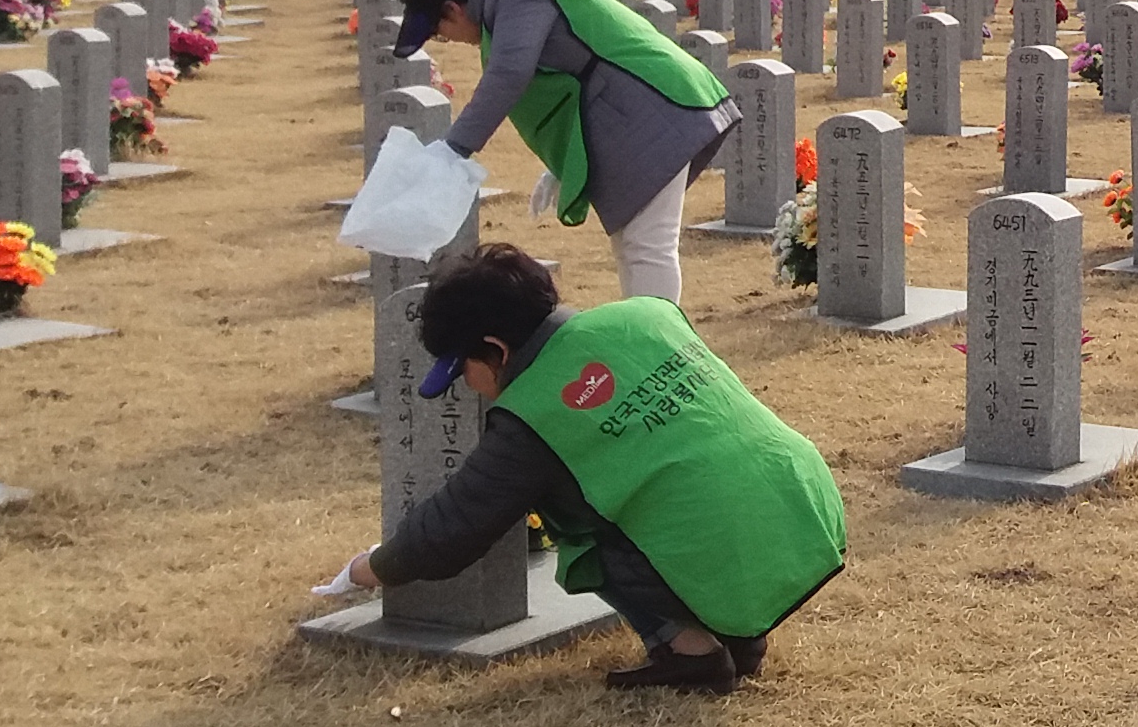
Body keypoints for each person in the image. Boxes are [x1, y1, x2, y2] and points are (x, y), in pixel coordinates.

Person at [320, 246, 845, 693]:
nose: (468, 387)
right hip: (809, 507)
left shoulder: (534, 414)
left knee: (585, 528)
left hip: (727, 537)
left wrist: (367, 570)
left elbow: (453, 529)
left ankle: (690, 652)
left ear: (496, 350)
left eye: (464, 371)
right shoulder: (646, 314)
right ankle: (738, 633)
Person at [395, 0, 735, 304]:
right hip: (635, 108)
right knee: (633, 245)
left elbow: (509, 74)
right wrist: (561, 166)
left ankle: (661, 347)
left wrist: (454, 148)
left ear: (453, 8)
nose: (451, 40)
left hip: (657, 102)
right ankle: (647, 339)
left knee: (648, 245)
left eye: (440, 33)